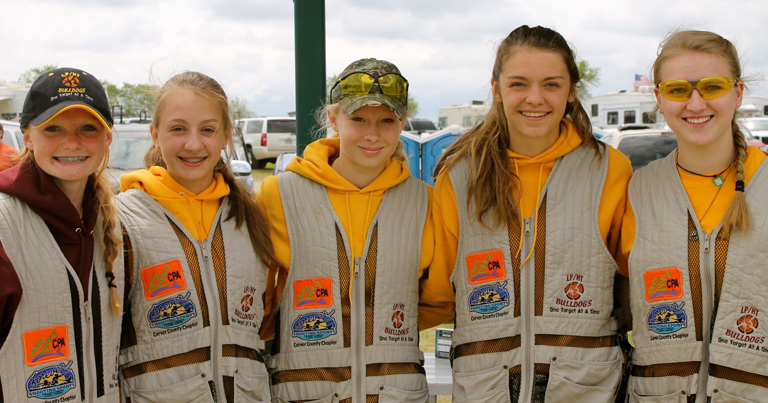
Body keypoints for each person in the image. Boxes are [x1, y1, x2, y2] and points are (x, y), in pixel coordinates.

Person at [419, 25, 633, 402]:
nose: (535, 98)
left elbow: (634, 283)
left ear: (572, 91)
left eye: (551, 84)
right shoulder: (460, 174)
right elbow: (439, 291)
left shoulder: (609, 169)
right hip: (487, 388)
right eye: (519, 84)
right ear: (496, 88)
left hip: (587, 387)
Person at [259, 58, 433, 403]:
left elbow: (436, 298)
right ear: (333, 118)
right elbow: (260, 302)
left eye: (387, 120)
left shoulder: (424, 201)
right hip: (303, 390)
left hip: (397, 392)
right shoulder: (278, 194)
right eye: (358, 119)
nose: (372, 134)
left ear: (402, 122)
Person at [621, 30, 768, 402]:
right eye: (677, 90)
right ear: (659, 99)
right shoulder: (637, 191)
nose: (696, 103)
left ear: (738, 92)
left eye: (712, 86)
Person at [116, 72, 276, 403]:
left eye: (207, 129)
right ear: (155, 134)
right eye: (178, 129)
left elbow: (267, 328)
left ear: (225, 136)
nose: (193, 144)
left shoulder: (251, 218)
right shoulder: (122, 218)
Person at [0, 67, 123, 402]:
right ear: (28, 136)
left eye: (88, 128)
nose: (71, 142)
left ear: (107, 137)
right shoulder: (4, 223)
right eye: (53, 128)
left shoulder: (116, 223)